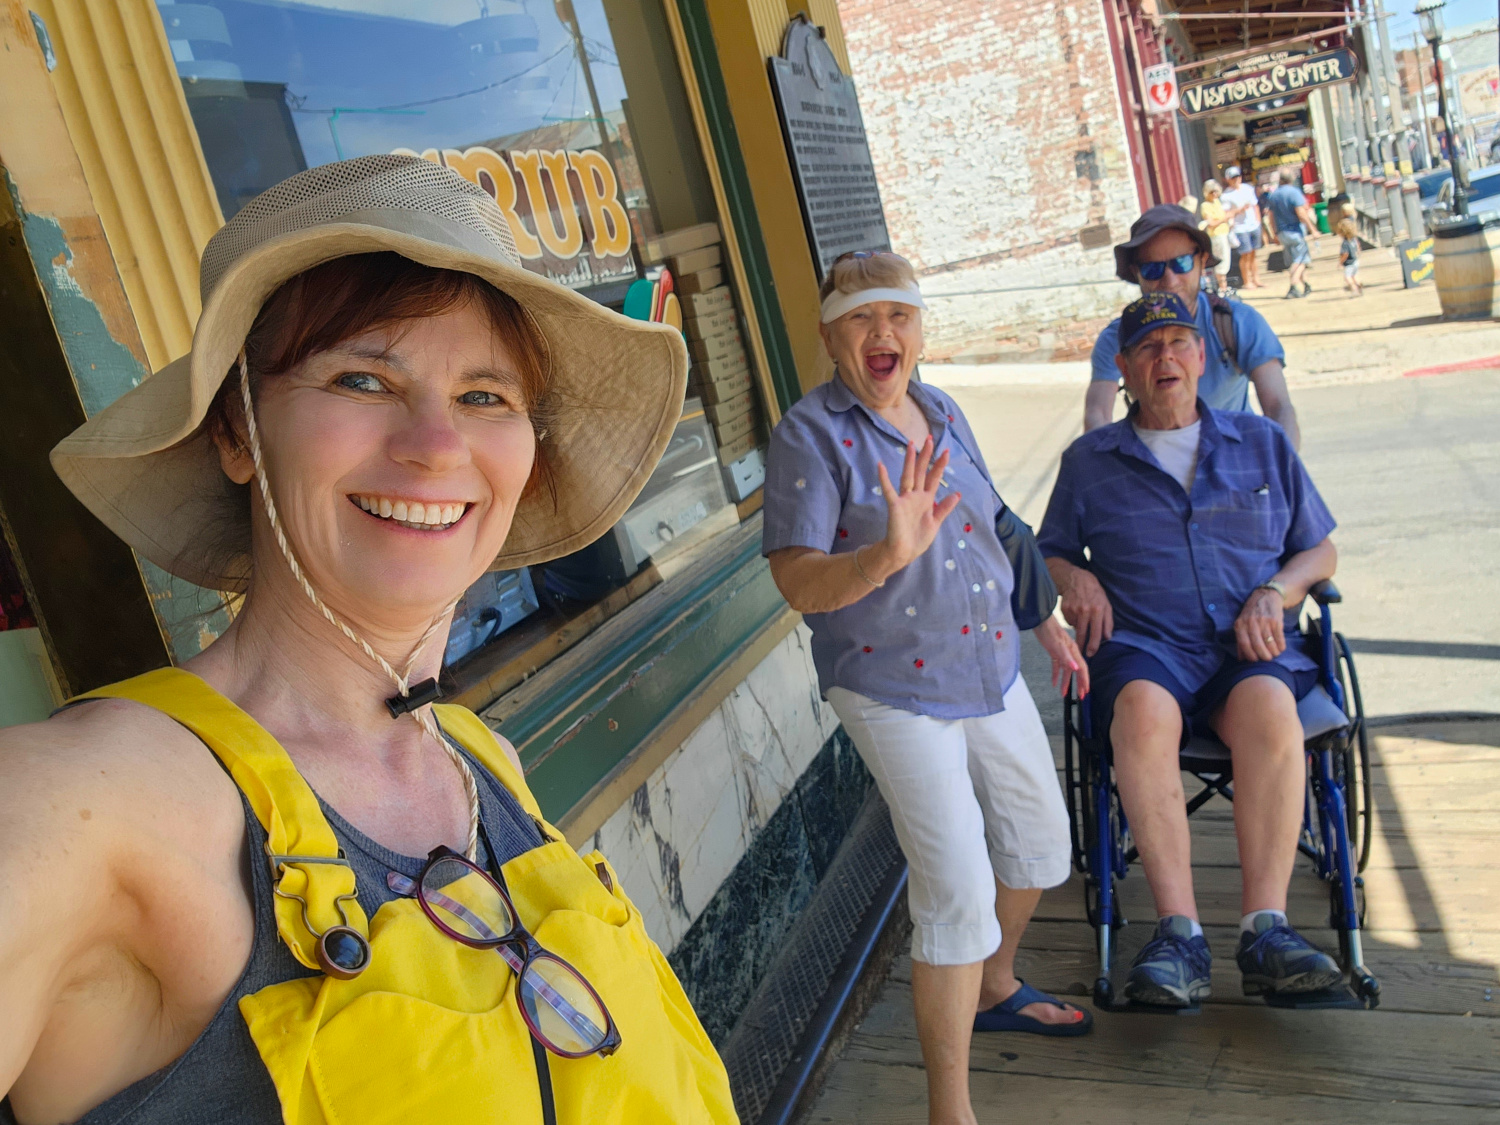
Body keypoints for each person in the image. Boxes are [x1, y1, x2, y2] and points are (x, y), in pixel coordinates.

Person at [0, 156, 736, 1125]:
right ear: (236, 432)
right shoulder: (85, 804)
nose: (436, 445)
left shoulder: (480, 758)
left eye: (486, 395)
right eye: (362, 378)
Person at [763, 251, 1093, 1125]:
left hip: (987, 660)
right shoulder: (809, 434)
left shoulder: (940, 407)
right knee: (956, 888)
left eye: (898, 316)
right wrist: (882, 557)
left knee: (1040, 843)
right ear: (830, 335)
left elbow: (996, 525)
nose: (883, 334)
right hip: (889, 684)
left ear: (919, 329)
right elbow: (796, 580)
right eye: (862, 318)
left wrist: (1045, 619)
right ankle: (952, 1109)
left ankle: (993, 984)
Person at [1041, 292, 1344, 1009]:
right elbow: (1050, 549)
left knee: (1271, 707)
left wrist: (1276, 590)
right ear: (1123, 369)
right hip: (1146, 646)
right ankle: (1179, 934)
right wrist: (1074, 576)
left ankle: (1266, 930)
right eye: (1148, 348)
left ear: (1202, 357)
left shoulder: (1261, 442)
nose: (1166, 357)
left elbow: (1321, 550)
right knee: (1142, 713)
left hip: (1249, 646)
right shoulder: (1089, 462)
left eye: (1179, 343)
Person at [1086, 205, 1301, 449]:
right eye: (1152, 269)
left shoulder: (1236, 323)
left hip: (1234, 462)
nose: (1170, 280)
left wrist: (1282, 465)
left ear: (1202, 261)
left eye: (1182, 263)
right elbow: (1097, 415)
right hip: (1155, 465)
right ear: (1136, 273)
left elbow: (1278, 407)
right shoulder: (1118, 338)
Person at [1266, 167, 1318, 299]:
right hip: (1295, 231)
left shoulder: (1274, 195)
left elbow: (1270, 216)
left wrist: (1274, 233)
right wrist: (1313, 229)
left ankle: (1305, 284)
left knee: (1294, 260)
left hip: (1282, 232)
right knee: (1300, 261)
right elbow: (1301, 213)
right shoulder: (1294, 192)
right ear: (1291, 179)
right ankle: (1293, 285)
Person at [1221, 165, 1263, 289]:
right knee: (1245, 254)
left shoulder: (1248, 189)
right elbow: (1226, 214)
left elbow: (1255, 205)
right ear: (1228, 179)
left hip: (1253, 225)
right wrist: (1238, 210)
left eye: (1238, 177)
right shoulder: (1226, 195)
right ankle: (1247, 281)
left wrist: (1258, 221)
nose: (1236, 179)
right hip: (1240, 227)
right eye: (1233, 178)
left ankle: (1256, 279)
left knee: (1253, 253)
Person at [1199, 180, 1232, 295]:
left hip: (1224, 233)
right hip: (1216, 236)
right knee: (1220, 262)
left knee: (1226, 260)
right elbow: (1211, 223)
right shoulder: (1205, 206)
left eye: (1216, 191)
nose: (1214, 194)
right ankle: (1222, 288)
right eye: (1211, 192)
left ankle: (1224, 287)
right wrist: (1224, 219)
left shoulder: (1217, 202)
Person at [1337, 217, 1363, 297]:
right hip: (1355, 261)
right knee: (1354, 275)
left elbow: (1345, 254)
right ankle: (1358, 283)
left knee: (1347, 277)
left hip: (1349, 263)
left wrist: (1340, 262)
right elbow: (1358, 246)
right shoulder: (1354, 239)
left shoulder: (1345, 243)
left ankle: (1354, 289)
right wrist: (1358, 251)